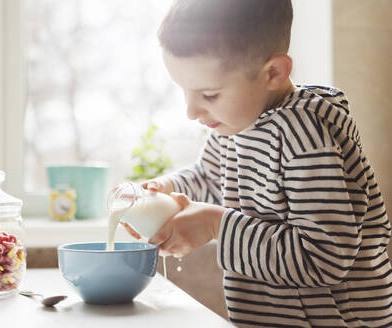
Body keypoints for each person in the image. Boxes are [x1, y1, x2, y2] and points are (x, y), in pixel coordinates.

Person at [121, 0, 392, 326]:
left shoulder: (305, 136)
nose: (191, 112)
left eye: (209, 94)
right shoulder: (236, 124)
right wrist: (164, 191)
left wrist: (215, 225)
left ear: (274, 73)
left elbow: (325, 259)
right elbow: (210, 178)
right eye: (185, 91)